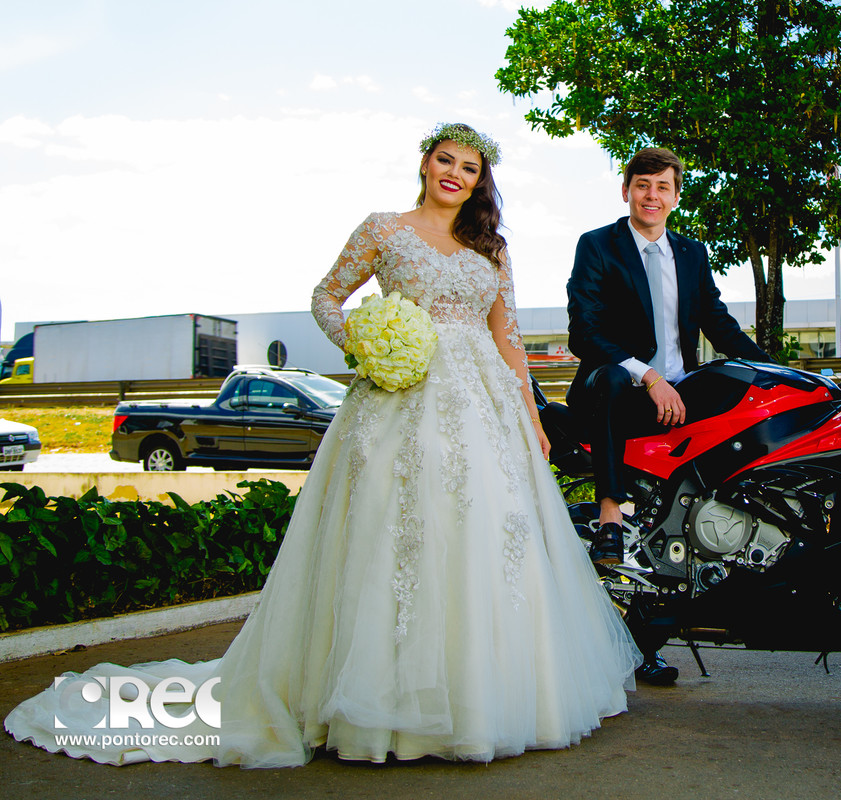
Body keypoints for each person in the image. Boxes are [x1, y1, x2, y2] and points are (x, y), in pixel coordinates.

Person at [5, 123, 640, 767]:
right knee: (393, 530)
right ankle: (380, 702)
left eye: (470, 168)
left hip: (484, 406)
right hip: (398, 399)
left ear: (481, 182)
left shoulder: (492, 248)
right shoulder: (382, 229)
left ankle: (490, 696)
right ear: (424, 164)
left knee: (487, 527)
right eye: (445, 161)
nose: (455, 174)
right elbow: (325, 296)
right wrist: (368, 340)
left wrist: (530, 410)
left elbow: (506, 335)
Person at [565, 147, 769, 686]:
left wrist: (778, 371)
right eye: (642, 185)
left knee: (741, 407)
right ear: (626, 190)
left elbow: (719, 325)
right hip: (617, 391)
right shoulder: (598, 246)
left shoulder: (692, 253)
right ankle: (610, 515)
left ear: (676, 196)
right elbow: (584, 332)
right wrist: (647, 375)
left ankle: (653, 632)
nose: (651, 196)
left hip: (683, 391)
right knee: (611, 375)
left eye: (662, 187)